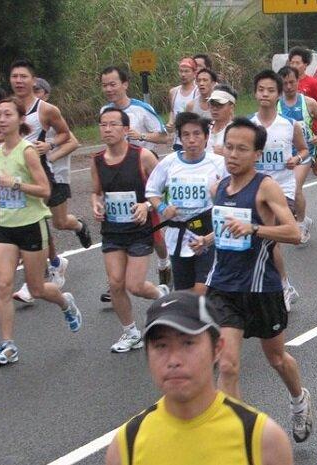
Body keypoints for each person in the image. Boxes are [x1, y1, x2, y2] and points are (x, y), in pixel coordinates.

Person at [191, 116, 313, 443]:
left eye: (242, 149)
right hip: (224, 288)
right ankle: (232, 440)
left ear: (257, 154)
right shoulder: (218, 188)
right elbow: (227, 231)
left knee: (276, 358)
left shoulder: (265, 187)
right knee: (227, 365)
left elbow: (294, 233)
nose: (232, 154)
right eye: (229, 147)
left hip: (261, 288)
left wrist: (256, 228)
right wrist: (208, 241)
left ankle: (299, 399)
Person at [104, 290, 293, 465]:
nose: (173, 360)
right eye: (161, 346)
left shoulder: (261, 440)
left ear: (217, 348)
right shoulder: (126, 445)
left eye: (188, 343)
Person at [0, 97, 82, 365]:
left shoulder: (27, 151)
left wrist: (16, 184)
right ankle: (8, 346)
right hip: (6, 226)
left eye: (7, 114)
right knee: (4, 284)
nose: (2, 119)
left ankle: (65, 302)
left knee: (37, 288)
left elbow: (45, 190)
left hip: (31, 224)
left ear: (20, 120)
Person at [9, 60, 90, 304]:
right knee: (33, 224)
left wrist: (50, 144)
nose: (19, 81)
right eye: (15, 76)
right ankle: (47, 270)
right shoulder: (6, 108)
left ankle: (77, 227)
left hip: (42, 172)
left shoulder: (46, 109)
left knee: (59, 221)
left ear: (33, 81)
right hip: (16, 177)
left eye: (24, 76)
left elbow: (66, 134)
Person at [92, 108, 169, 353]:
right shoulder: (97, 160)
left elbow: (164, 188)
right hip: (113, 229)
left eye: (113, 124)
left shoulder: (142, 156)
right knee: (115, 283)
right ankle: (131, 332)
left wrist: (146, 205)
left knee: (135, 285)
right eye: (103, 125)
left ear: (126, 130)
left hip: (139, 229)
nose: (107, 129)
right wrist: (96, 203)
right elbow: (96, 192)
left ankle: (161, 294)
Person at [100, 65, 172, 295]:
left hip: (144, 169)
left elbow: (164, 136)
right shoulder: (105, 110)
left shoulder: (142, 109)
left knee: (152, 227)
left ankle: (164, 263)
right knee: (121, 223)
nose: (109, 89)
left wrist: (139, 136)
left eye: (113, 84)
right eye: (104, 85)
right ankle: (116, 282)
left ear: (125, 84)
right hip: (117, 172)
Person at [146, 111, 227, 294]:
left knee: (201, 289)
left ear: (206, 137)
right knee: (185, 293)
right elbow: (152, 191)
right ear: (180, 138)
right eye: (186, 135)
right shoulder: (169, 163)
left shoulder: (219, 163)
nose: (192, 140)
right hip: (177, 235)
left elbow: (236, 192)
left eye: (197, 134)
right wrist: (162, 208)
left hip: (206, 230)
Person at [249, 70, 308, 311]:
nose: (265, 94)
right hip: (254, 190)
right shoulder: (248, 126)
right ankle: (275, 284)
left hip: (282, 190)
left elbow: (304, 151)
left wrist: (296, 158)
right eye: (261, 89)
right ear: (255, 93)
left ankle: (283, 287)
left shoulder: (288, 125)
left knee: (271, 238)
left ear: (278, 95)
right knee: (258, 242)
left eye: (271, 90)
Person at [277, 65, 317, 244]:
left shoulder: (308, 102)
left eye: (292, 82)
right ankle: (304, 218)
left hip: (306, 151)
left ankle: (302, 224)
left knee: (298, 186)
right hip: (286, 155)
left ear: (298, 82)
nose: (288, 86)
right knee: (285, 192)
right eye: (285, 83)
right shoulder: (276, 104)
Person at [287, 47, 317, 215]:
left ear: (305, 65)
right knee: (293, 178)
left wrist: (312, 113)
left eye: (297, 62)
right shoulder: (285, 85)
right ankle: (297, 213)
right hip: (291, 138)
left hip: (313, 135)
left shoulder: (312, 83)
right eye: (291, 62)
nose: (294, 65)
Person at [166, 57, 199, 151]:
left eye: (187, 71)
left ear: (194, 73)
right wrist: (170, 123)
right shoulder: (173, 92)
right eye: (181, 71)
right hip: (178, 141)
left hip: (194, 140)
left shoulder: (198, 92)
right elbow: (172, 111)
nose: (183, 74)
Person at [206, 84, 236, 156]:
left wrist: (227, 153)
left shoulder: (237, 131)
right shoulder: (204, 128)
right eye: (212, 104)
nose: (215, 108)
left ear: (231, 107)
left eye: (220, 104)